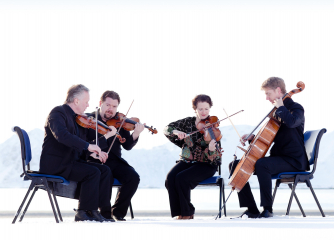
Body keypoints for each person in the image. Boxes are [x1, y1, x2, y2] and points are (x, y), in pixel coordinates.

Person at [229, 77, 308, 218]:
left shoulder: (296, 108)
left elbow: (292, 123)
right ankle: (252, 209)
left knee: (262, 165)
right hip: (279, 158)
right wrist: (253, 138)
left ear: (278, 91)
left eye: (268, 93)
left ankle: (267, 209)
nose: (266, 98)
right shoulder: (277, 112)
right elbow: (269, 136)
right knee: (235, 165)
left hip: (294, 160)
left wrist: (281, 107)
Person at [39, 84, 118, 222]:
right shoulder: (57, 113)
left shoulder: (78, 119)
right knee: (93, 172)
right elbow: (62, 136)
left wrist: (91, 153)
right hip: (57, 164)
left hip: (70, 162)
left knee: (104, 170)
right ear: (76, 101)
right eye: (86, 101)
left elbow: (79, 145)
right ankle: (84, 212)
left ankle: (103, 212)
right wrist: (88, 146)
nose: (88, 105)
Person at [86, 90, 144, 221]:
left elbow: (127, 146)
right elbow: (85, 143)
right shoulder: (89, 119)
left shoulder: (120, 121)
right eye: (107, 105)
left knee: (133, 177)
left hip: (115, 160)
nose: (110, 109)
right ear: (100, 103)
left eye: (114, 106)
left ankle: (118, 212)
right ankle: (104, 212)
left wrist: (136, 134)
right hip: (95, 159)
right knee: (107, 176)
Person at [164, 94, 222, 220]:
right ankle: (180, 212)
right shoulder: (187, 122)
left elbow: (216, 156)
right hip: (188, 161)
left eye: (206, 109)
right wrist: (176, 132)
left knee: (182, 178)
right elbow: (167, 128)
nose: (204, 112)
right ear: (195, 109)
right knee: (170, 178)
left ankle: (187, 213)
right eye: (200, 109)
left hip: (207, 164)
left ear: (210, 108)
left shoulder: (212, 126)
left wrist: (211, 150)